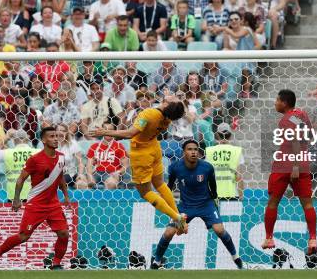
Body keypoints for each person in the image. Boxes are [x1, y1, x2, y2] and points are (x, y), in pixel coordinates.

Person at [100, 96, 189, 233]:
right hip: (154, 148)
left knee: (146, 192)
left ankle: (176, 217)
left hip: (142, 154)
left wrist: (105, 132)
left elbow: (130, 133)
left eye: (173, 98)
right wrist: (167, 98)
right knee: (160, 184)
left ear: (166, 104)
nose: (172, 95)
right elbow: (174, 106)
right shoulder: (168, 117)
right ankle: (179, 219)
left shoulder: (149, 114)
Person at [151, 140, 243, 270]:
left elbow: (213, 186)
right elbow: (169, 187)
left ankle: (236, 258)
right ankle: (156, 261)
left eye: (195, 149)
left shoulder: (207, 167)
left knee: (219, 230)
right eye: (189, 149)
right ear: (184, 152)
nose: (193, 152)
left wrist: (213, 201)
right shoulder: (175, 167)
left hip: (206, 204)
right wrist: (167, 204)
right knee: (168, 233)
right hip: (185, 206)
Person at [0, 127, 71, 269]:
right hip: (36, 204)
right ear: (43, 140)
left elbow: (60, 177)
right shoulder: (35, 159)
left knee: (63, 234)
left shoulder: (61, 157)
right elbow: (20, 179)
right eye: (52, 136)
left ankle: (56, 264)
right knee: (23, 236)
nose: (56, 138)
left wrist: (66, 196)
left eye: (57, 136)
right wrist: (16, 199)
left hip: (53, 204)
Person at [262, 90, 317, 258]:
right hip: (303, 163)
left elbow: (294, 139)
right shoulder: (301, 115)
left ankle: (269, 238)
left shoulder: (286, 119)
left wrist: (293, 166)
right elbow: (306, 136)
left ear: (284, 103)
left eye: (277, 100)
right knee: (307, 204)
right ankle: (313, 238)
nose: (275, 103)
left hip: (285, 164)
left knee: (273, 202)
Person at [205, 123, 244, 200]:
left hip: (213, 194)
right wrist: (241, 195)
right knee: (230, 212)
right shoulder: (236, 151)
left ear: (217, 135)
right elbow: (239, 176)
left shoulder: (210, 151)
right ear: (230, 135)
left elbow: (206, 175)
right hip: (232, 193)